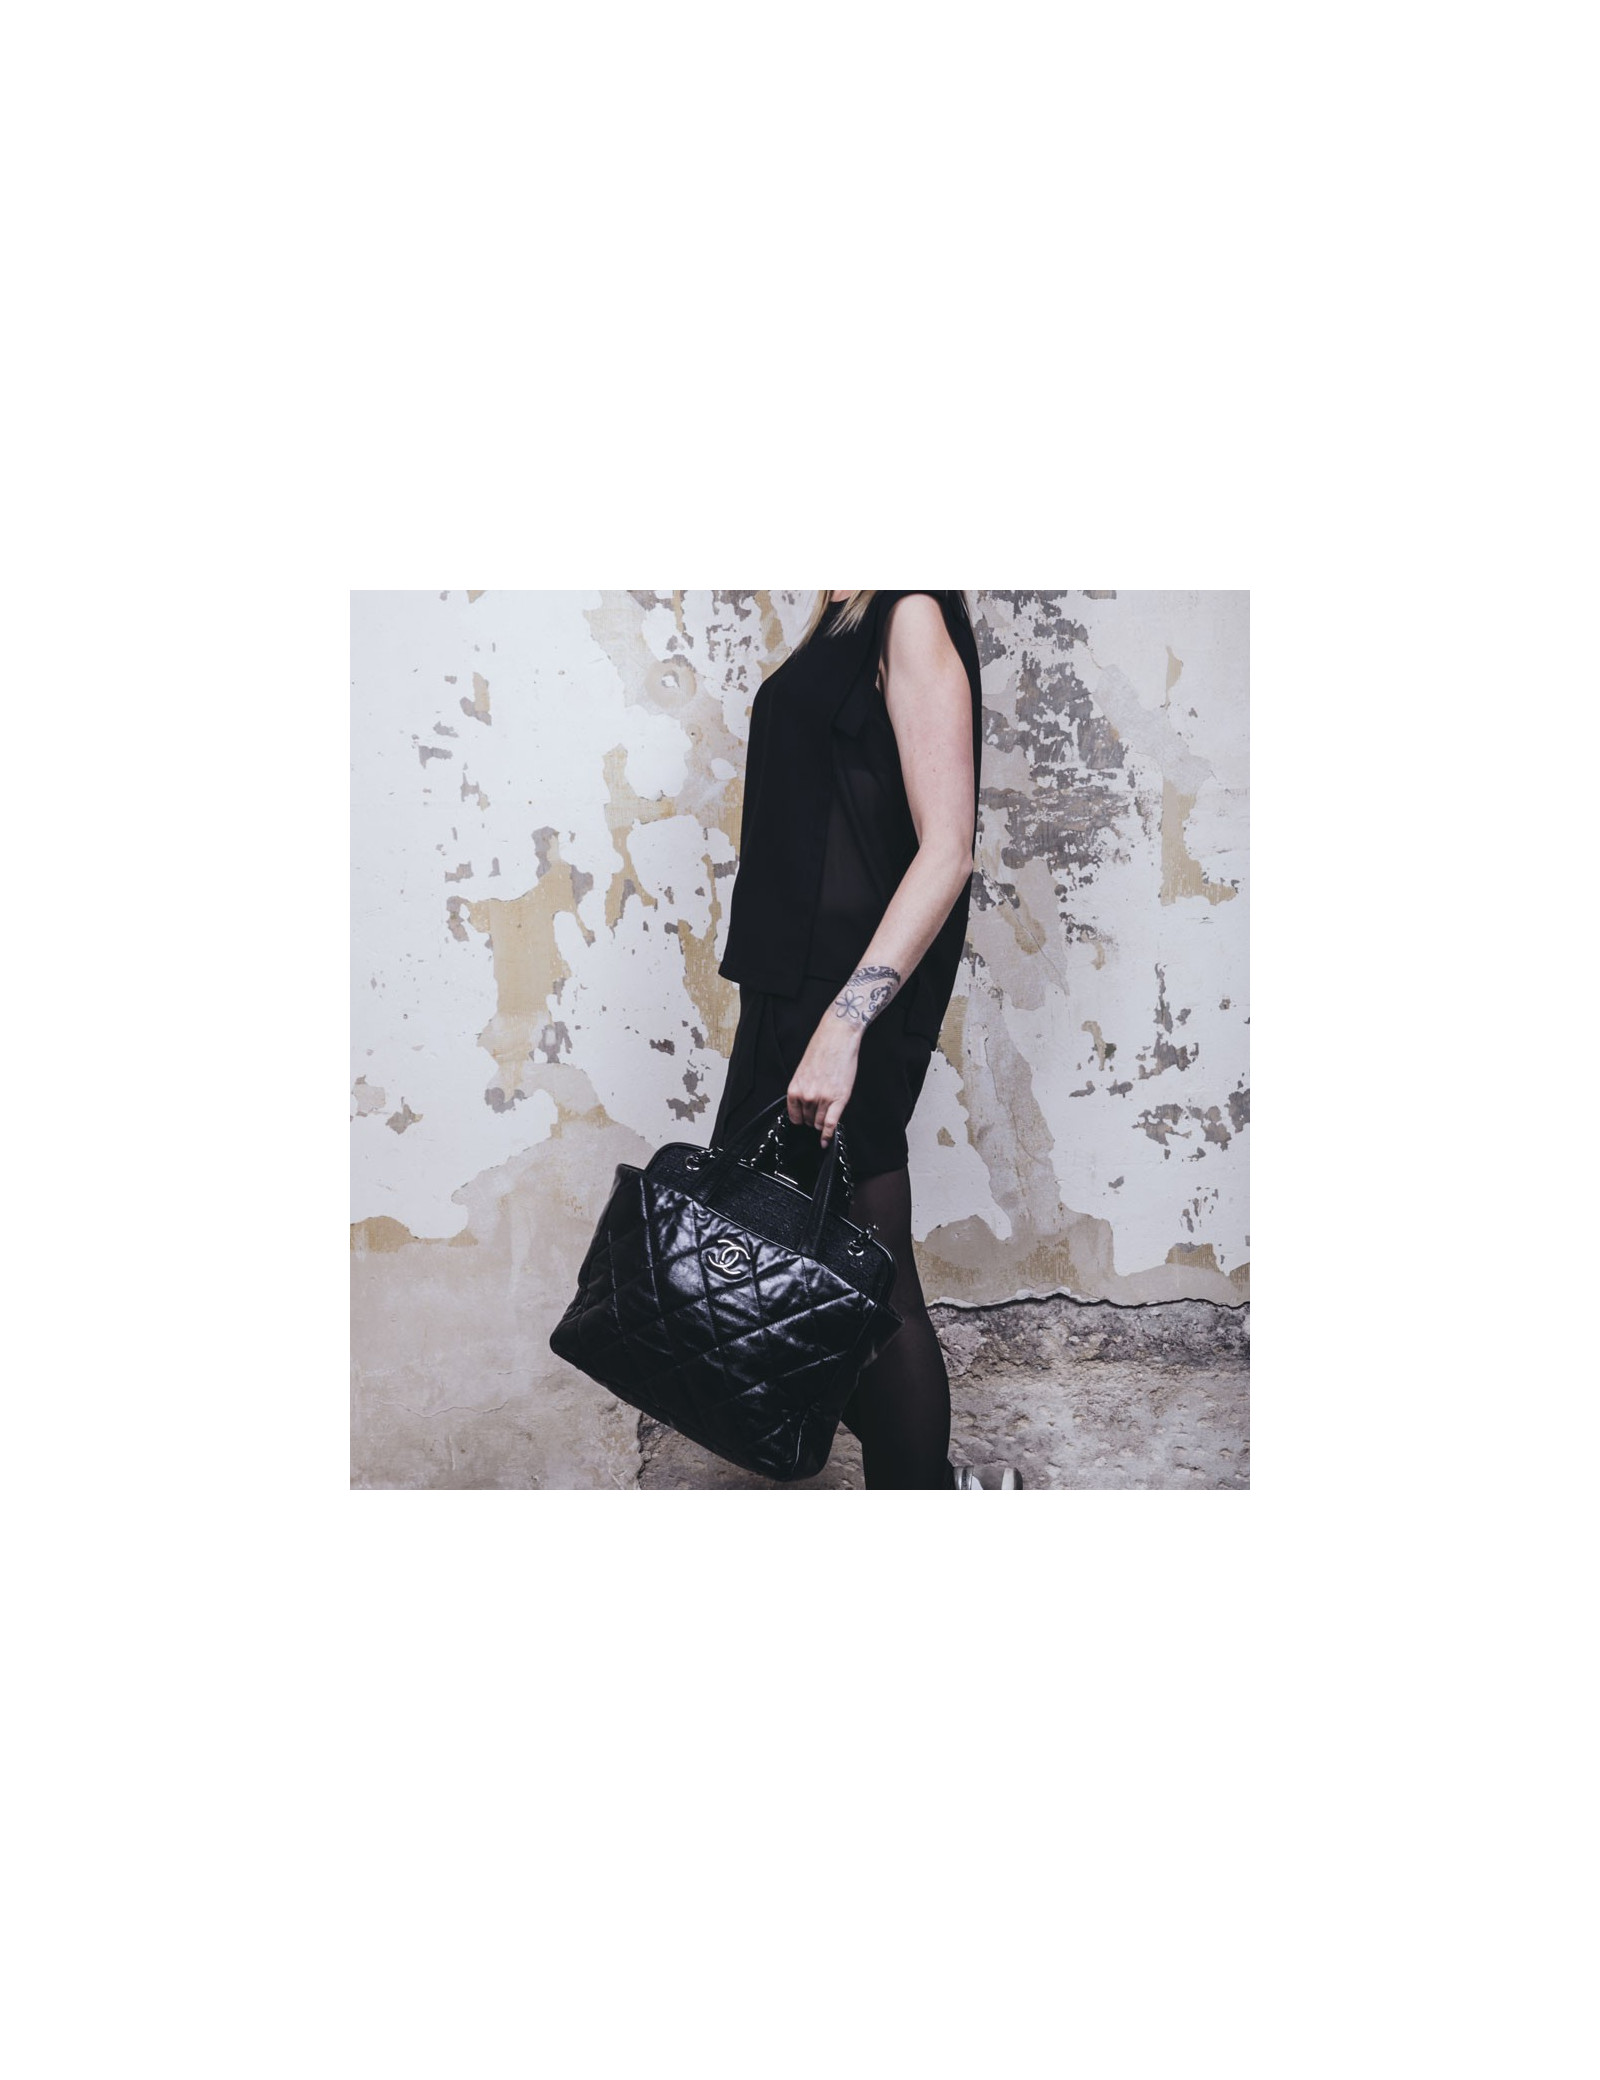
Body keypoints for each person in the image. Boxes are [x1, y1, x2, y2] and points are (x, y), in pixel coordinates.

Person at [711, 590, 1018, 1491]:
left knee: (868, 1280)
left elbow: (946, 848)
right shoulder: (841, 605)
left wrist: (846, 1025)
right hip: (789, 994)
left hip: (845, 1001)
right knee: (800, 1268)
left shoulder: (908, 608)